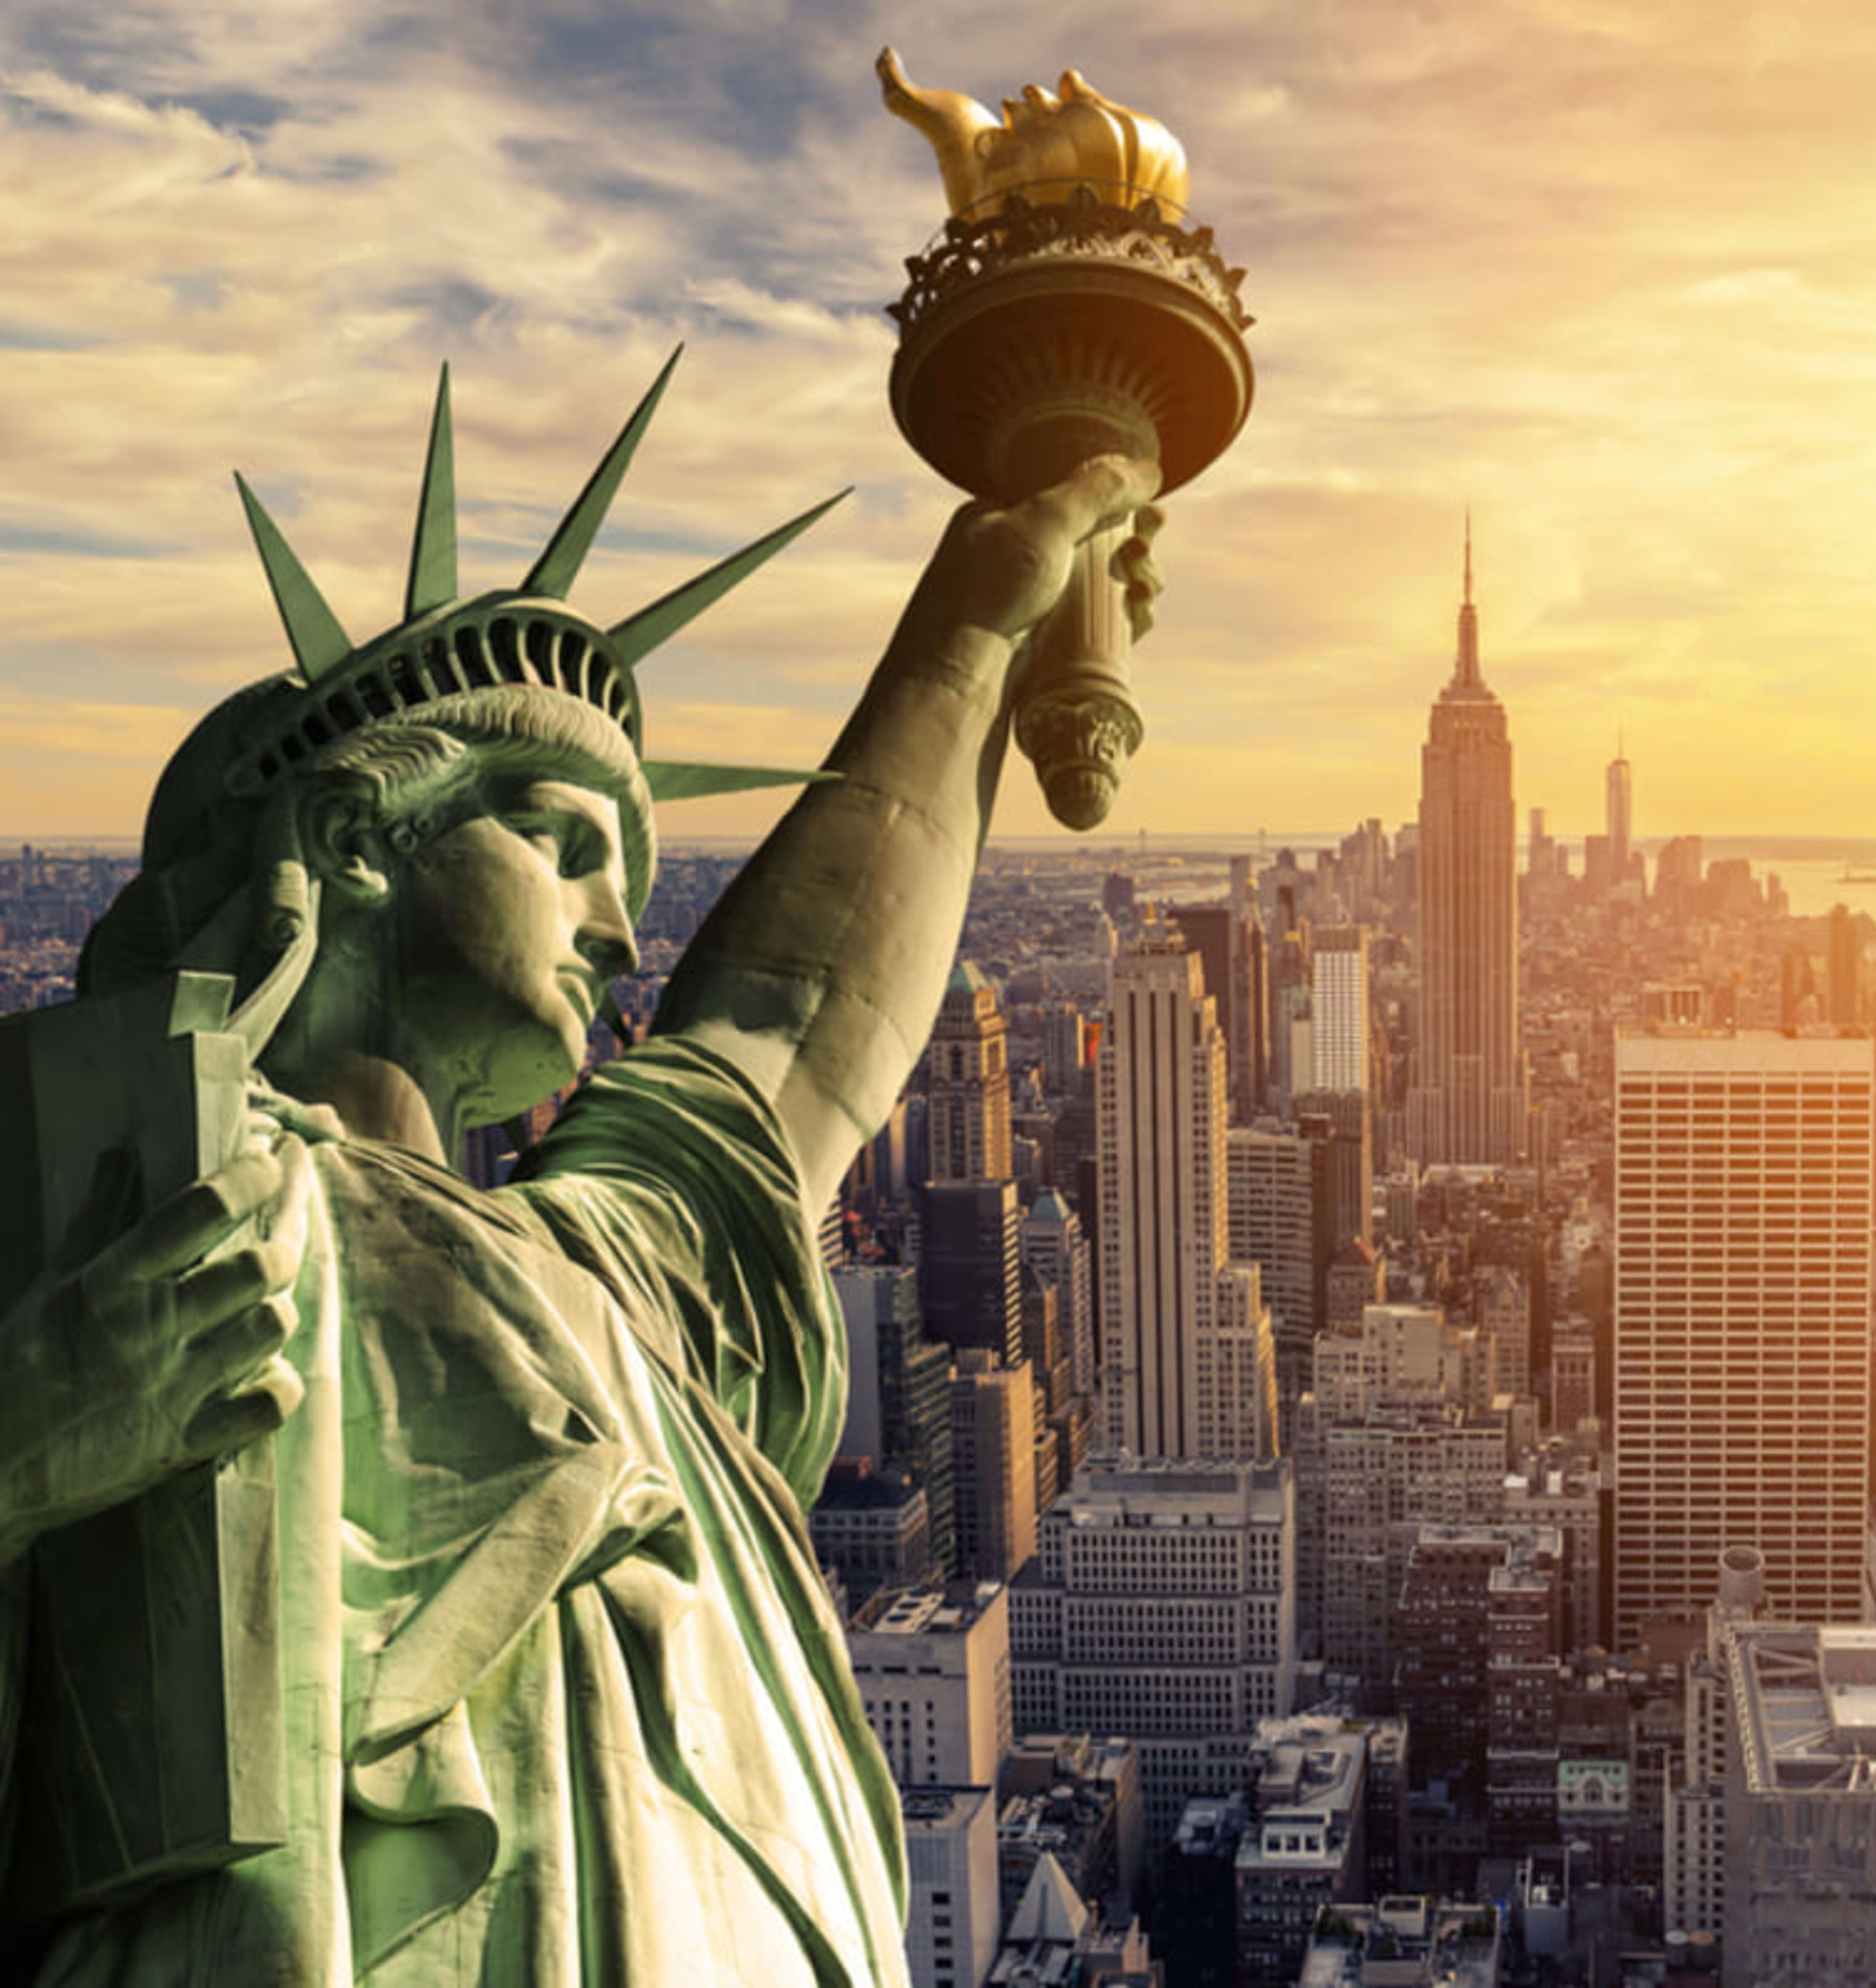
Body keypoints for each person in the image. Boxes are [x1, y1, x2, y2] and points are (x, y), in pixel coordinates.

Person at [0, 366, 1160, 1985]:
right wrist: (32, 1439)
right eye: (565, 841)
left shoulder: (597, 1278)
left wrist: (988, 606)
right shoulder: (91, 1239)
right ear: (351, 834)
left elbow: (785, 1030)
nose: (622, 931)